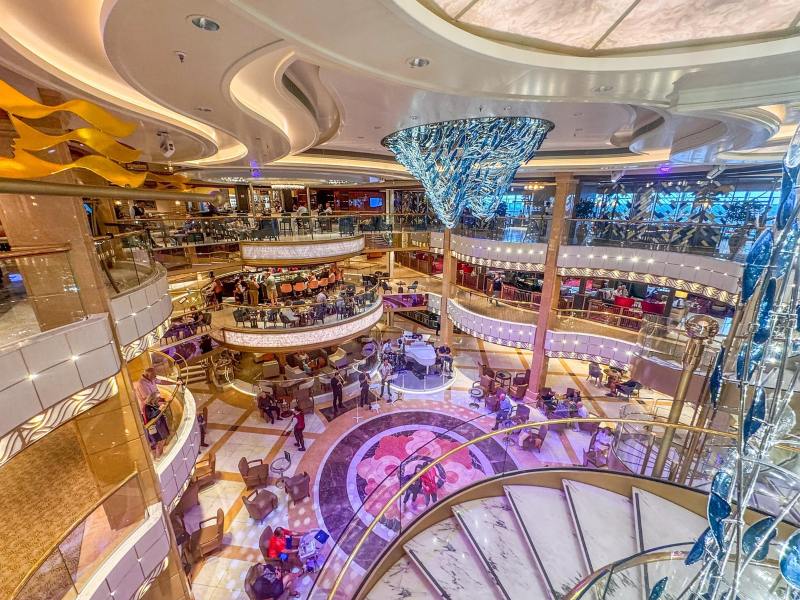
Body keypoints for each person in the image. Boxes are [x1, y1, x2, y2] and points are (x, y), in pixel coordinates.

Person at [143, 393, 169, 457]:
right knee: (159, 442)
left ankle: (160, 455)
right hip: (155, 427)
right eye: (156, 398)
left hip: (159, 426)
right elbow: (151, 415)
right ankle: (159, 457)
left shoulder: (153, 404)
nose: (158, 400)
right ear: (152, 399)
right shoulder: (147, 407)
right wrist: (159, 409)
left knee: (162, 440)